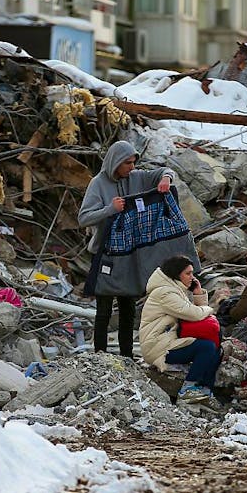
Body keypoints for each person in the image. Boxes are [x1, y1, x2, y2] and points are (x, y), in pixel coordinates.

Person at [78, 140, 173, 358]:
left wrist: (166, 179)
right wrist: (109, 209)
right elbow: (83, 217)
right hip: (106, 254)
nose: (131, 167)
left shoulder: (136, 178)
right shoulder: (98, 184)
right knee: (103, 308)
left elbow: (163, 171)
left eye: (133, 163)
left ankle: (126, 357)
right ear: (116, 163)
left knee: (128, 308)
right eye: (127, 163)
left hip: (130, 254)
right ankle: (100, 356)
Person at [140, 256, 220, 403]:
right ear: (176, 274)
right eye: (188, 273)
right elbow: (194, 314)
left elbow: (193, 314)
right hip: (157, 347)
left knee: (214, 347)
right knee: (206, 347)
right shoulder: (165, 293)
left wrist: (197, 293)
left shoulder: (175, 290)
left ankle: (204, 390)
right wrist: (209, 308)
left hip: (167, 341)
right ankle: (188, 389)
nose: (192, 277)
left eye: (192, 273)